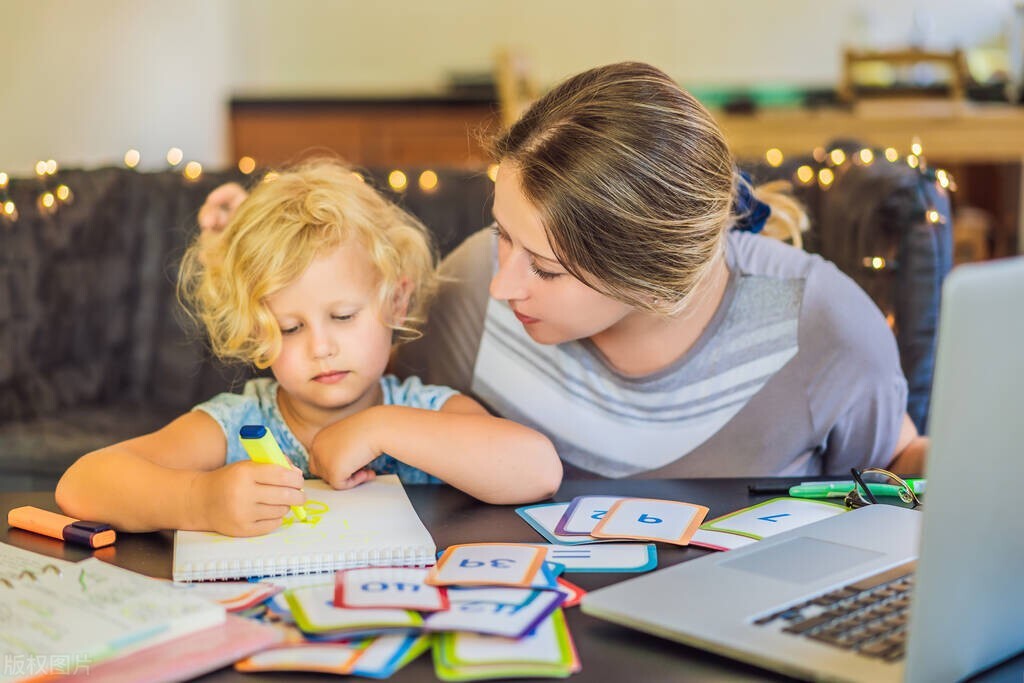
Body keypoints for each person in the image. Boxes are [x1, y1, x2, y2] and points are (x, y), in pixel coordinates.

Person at [196, 62, 928, 482]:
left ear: (652, 280)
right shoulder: (470, 295)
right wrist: (258, 245)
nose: (502, 282)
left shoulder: (822, 327)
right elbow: (344, 386)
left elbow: (896, 463)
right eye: (500, 232)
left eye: (544, 268)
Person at [56, 160, 562, 537]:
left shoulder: (422, 411)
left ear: (397, 301)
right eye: (289, 328)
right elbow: (81, 484)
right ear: (257, 333)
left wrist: (378, 427)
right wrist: (199, 499)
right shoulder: (239, 424)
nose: (321, 346)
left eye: (343, 317)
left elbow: (538, 470)